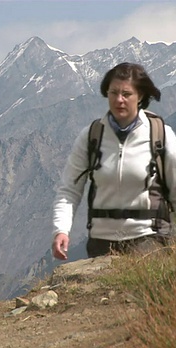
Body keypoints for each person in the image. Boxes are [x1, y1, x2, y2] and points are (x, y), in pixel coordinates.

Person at [52, 62, 176, 260]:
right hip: (101, 242)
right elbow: (69, 189)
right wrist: (61, 230)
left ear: (140, 96)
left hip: (149, 239)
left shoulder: (160, 135)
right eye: (113, 93)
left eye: (126, 94)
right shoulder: (92, 136)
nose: (119, 100)